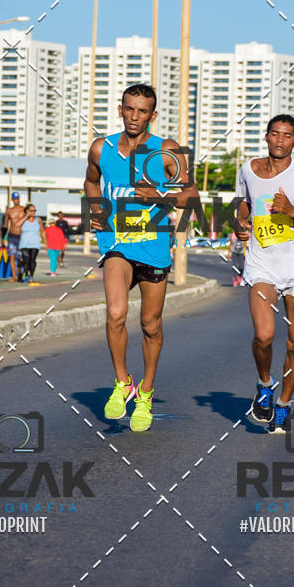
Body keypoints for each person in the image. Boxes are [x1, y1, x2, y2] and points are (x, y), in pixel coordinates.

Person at [84, 83, 199, 433]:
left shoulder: (166, 150)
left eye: (142, 111)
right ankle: (123, 382)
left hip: (153, 247)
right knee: (115, 313)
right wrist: (96, 211)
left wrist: (159, 197)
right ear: (120, 109)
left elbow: (190, 196)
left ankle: (146, 391)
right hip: (116, 243)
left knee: (151, 325)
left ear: (153, 115)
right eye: (129, 109)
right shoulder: (101, 148)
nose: (134, 116)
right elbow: (91, 182)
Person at [235, 115, 294, 432]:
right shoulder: (248, 169)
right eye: (275, 133)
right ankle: (265, 384)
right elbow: (244, 203)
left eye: (287, 135)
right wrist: (240, 222)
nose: (280, 140)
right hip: (261, 264)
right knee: (264, 335)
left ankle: (284, 404)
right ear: (266, 136)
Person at [3, 192, 26, 282]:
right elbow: (5, 225)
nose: (17, 200)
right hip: (12, 236)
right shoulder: (9, 211)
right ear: (12, 200)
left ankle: (19, 272)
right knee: (12, 256)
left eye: (18, 198)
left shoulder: (24, 209)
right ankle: (14, 276)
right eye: (15, 199)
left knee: (21, 258)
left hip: (22, 236)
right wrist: (3, 238)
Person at [19, 204, 45, 283]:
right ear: (27, 211)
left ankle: (31, 276)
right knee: (26, 260)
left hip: (35, 244)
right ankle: (26, 275)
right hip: (24, 244)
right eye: (31, 210)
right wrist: (26, 216)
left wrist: (46, 243)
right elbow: (17, 225)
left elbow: (42, 231)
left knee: (32, 260)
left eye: (34, 210)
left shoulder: (38, 219)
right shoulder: (23, 219)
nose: (33, 212)